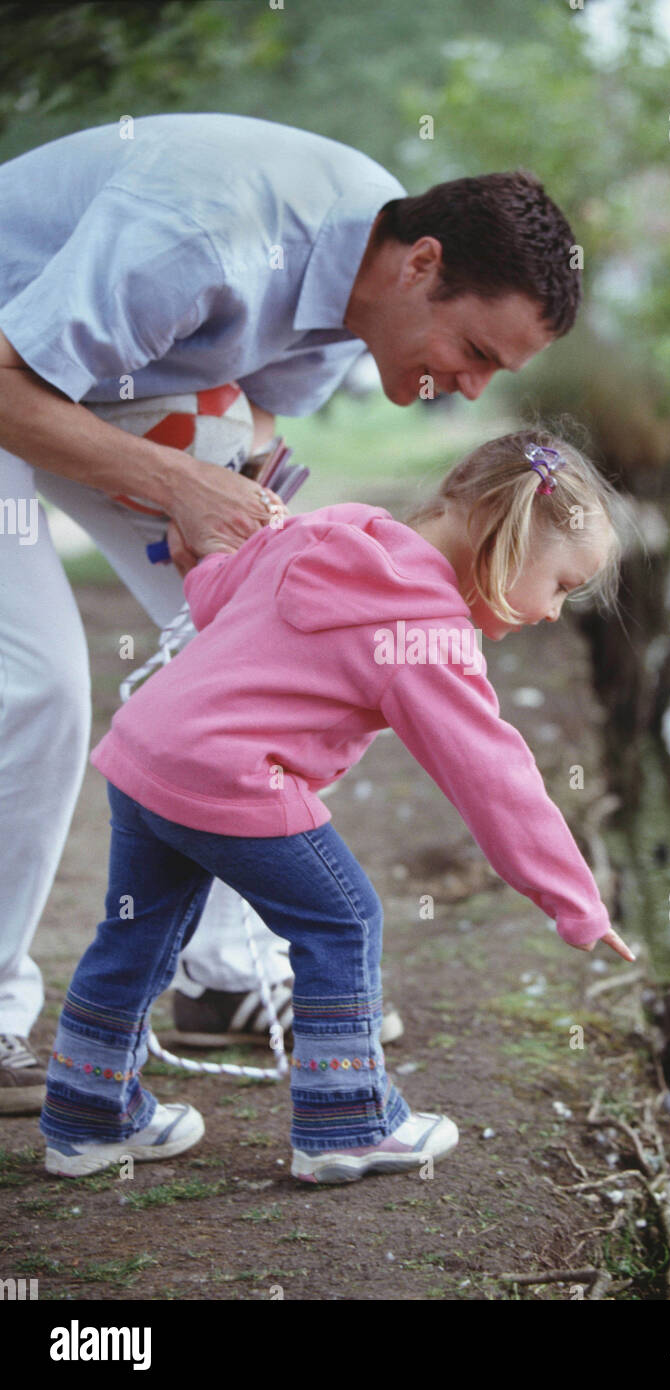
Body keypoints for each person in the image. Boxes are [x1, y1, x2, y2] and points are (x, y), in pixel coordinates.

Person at [0, 113, 581, 1112]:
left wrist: (278, 529)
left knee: (267, 641)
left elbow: (239, 414)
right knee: (37, 681)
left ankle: (223, 976)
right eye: (474, 349)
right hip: (13, 373)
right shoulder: (201, 231)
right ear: (422, 265)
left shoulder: (367, 281)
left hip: (78, 385)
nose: (471, 387)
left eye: (496, 377)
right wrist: (181, 490)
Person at [39, 427, 634, 1184]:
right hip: (233, 778)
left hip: (144, 754)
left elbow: (218, 597)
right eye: (560, 584)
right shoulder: (426, 632)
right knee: (343, 920)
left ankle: (87, 1118)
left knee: (135, 933)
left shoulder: (332, 527)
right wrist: (576, 901)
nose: (554, 613)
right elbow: (494, 778)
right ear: (501, 529)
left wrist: (208, 555)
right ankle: (347, 1120)